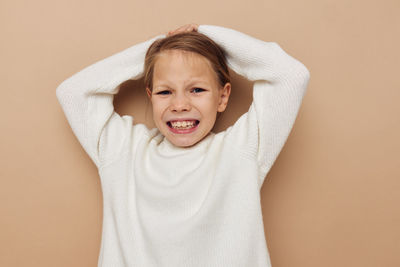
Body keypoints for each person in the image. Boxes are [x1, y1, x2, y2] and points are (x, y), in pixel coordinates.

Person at [56, 23, 310, 267]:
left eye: (197, 89)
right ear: (150, 95)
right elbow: (73, 92)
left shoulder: (242, 149)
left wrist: (206, 35)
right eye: (165, 92)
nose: (179, 105)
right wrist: (158, 49)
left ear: (222, 97)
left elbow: (290, 75)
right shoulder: (123, 150)